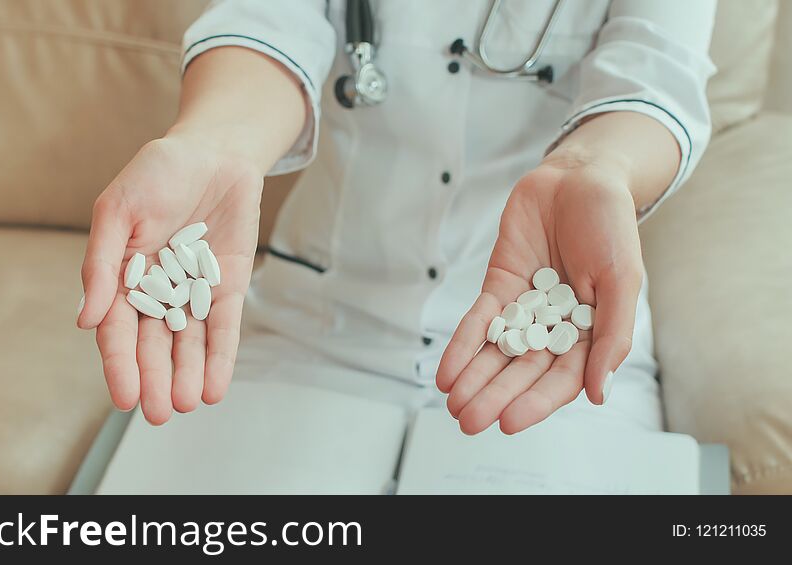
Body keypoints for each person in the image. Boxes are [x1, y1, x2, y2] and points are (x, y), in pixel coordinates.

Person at [76, 0, 715, 487]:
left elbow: (656, 76)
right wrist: (213, 144)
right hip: (312, 328)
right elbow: (265, 22)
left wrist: (594, 169)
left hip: (554, 345)